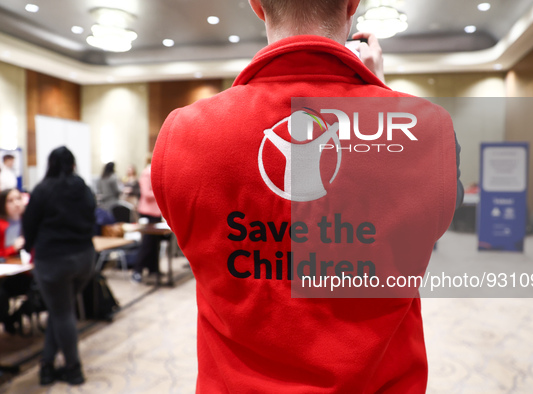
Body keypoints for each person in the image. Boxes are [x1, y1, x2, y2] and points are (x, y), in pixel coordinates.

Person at [151, 0, 462, 392]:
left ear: (257, 5)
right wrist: (379, 92)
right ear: (353, 3)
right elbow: (432, 216)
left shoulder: (183, 134)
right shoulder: (425, 131)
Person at [22, 146, 96, 386]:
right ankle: (46, 365)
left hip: (53, 261)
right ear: (73, 164)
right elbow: (92, 219)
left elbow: (29, 226)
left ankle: (74, 369)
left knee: (62, 312)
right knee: (60, 311)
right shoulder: (83, 188)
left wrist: (29, 249)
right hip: (84, 258)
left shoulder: (43, 190)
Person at [0, 188, 31, 334]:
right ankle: (8, 318)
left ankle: (18, 315)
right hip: (7, 275)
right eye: (10, 201)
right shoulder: (2, 225)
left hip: (27, 270)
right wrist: (13, 248)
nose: (16, 204)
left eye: (18, 199)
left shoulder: (28, 221)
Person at [131, 156, 162, 283]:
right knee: (147, 243)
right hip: (147, 212)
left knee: (155, 243)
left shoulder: (156, 172)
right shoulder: (146, 173)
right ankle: (137, 271)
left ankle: (153, 268)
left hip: (156, 212)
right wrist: (161, 192)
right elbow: (146, 194)